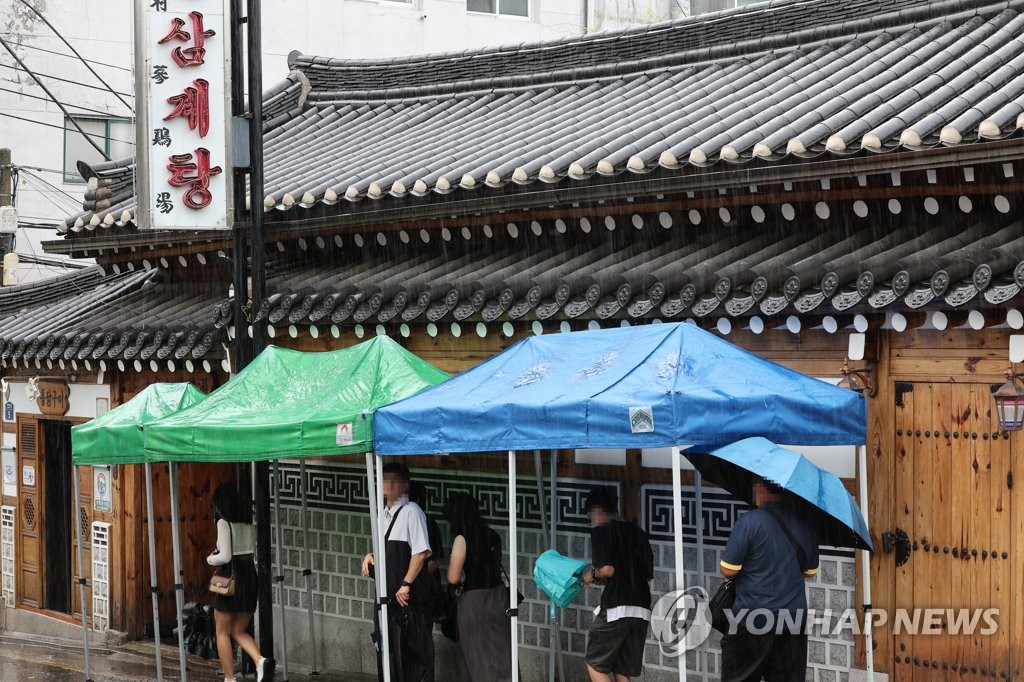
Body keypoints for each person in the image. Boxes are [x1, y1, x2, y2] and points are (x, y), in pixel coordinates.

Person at [718, 478, 819, 682]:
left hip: (752, 618)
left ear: (762, 488)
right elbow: (810, 572)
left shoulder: (750, 522)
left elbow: (728, 570)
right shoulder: (805, 523)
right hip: (793, 620)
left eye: (755, 485)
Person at [362, 462, 433, 682]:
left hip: (408, 603)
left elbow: (421, 552)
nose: (388, 485)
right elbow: (385, 548)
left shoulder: (412, 512)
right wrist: (370, 555)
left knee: (412, 661)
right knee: (388, 657)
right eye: (385, 480)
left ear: (404, 484)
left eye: (393, 481)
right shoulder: (381, 515)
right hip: (385, 601)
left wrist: (406, 583)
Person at [580, 486, 653, 682]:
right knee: (622, 669)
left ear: (598, 511)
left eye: (590, 514)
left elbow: (608, 570)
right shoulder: (639, 533)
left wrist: (591, 575)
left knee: (595, 663)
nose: (591, 519)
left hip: (616, 608)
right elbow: (645, 575)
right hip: (642, 608)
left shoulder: (602, 531)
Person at [207, 483, 275, 682]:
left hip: (231, 577)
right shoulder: (247, 521)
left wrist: (210, 559)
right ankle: (261, 661)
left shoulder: (223, 522)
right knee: (238, 630)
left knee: (221, 631)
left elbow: (225, 556)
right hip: (249, 575)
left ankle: (229, 678)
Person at [444, 491, 514, 682]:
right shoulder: (493, 535)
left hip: (476, 602)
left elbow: (453, 577)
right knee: (503, 656)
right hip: (499, 598)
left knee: (480, 658)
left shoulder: (461, 538)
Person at [409, 481, 444, 682]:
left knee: (422, 640)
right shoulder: (424, 522)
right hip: (417, 591)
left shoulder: (428, 523)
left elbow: (436, 561)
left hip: (424, 592)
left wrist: (411, 574)